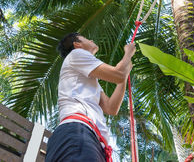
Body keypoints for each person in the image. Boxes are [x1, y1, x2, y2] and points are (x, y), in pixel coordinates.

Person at [45, 32, 136, 162]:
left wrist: (125, 73)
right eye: (86, 38)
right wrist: (128, 53)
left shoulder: (90, 81)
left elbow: (111, 108)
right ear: (77, 44)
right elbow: (118, 74)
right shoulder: (76, 54)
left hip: (88, 138)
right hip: (78, 132)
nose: (91, 39)